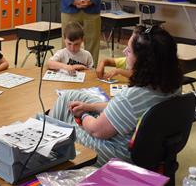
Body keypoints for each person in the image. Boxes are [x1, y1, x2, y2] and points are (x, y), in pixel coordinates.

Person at [50, 25, 183, 166]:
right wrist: (89, 107)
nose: (125, 51)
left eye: (129, 50)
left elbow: (95, 130)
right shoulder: (173, 85)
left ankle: (46, 147)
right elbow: (123, 109)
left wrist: (82, 115)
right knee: (70, 96)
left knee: (63, 124)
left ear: (144, 61)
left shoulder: (131, 98)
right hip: (150, 149)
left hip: (116, 155)